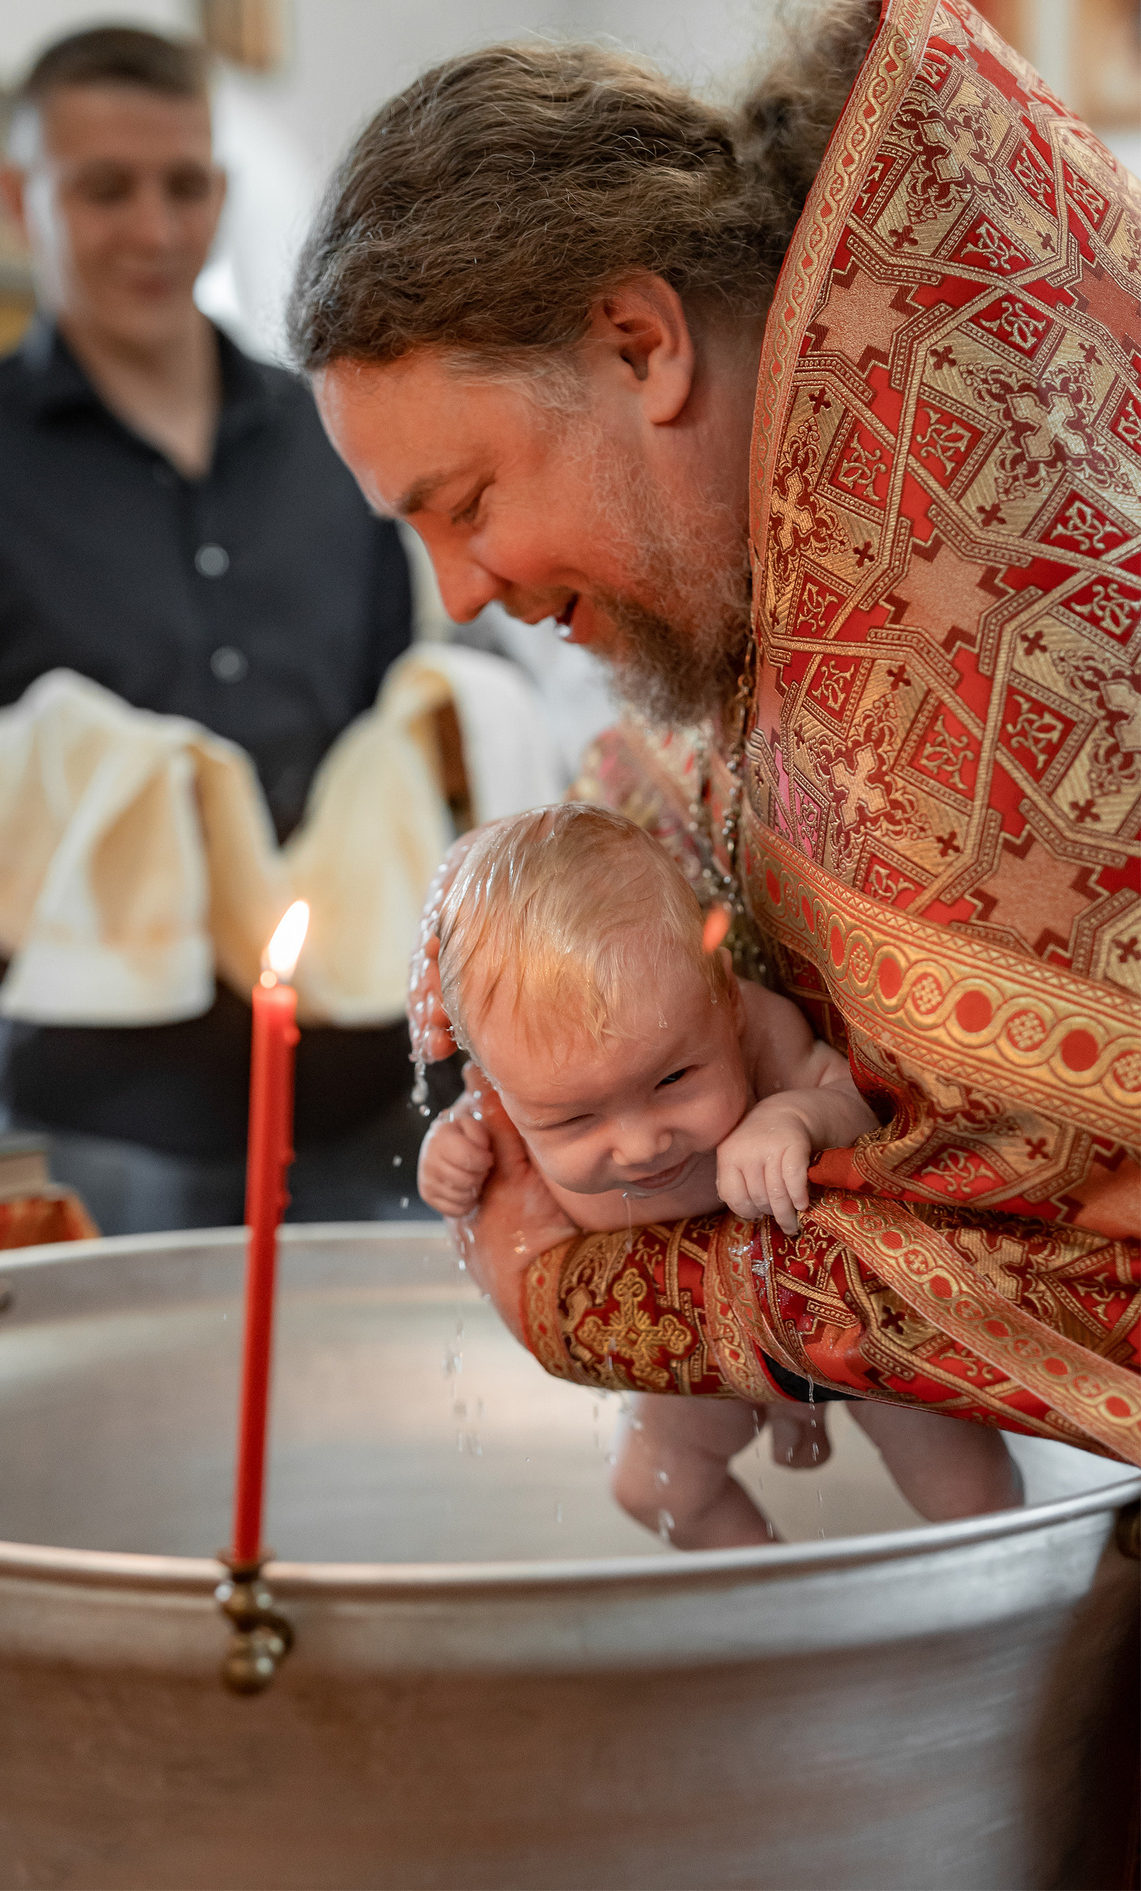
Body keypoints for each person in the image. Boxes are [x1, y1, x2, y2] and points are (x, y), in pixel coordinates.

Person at [289, 0, 1141, 1466]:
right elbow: (686, 807)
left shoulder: (959, 613)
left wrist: (587, 1291)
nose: (466, 590)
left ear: (639, 343)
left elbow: (1073, 1277)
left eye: (470, 500)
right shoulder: (808, 497)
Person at [0, 25, 417, 1233]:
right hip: (108, 1100)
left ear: (219, 191)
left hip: (368, 1065)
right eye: (103, 189)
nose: (153, 228)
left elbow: (396, 707)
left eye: (183, 185)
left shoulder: (331, 433)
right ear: (21, 201)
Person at [416, 805, 1020, 1546]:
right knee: (646, 1486)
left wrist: (793, 1118)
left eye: (673, 1077)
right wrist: (449, 1149)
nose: (640, 1144)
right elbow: (474, 1140)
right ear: (496, 1086)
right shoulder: (504, 1106)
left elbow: (856, 1105)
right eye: (572, 1121)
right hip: (696, 1347)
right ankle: (782, 1606)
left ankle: (1010, 1566)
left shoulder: (757, 1031)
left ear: (724, 996)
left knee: (960, 1479)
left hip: (848, 1314)